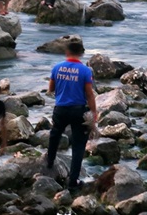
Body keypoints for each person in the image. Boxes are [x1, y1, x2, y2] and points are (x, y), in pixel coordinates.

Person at [45, 42, 97, 190]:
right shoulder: (85, 71)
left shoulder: (57, 67)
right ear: (81, 53)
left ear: (67, 52)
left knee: (55, 134)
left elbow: (51, 88)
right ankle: (73, 181)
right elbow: (89, 94)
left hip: (60, 109)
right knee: (79, 144)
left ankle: (50, 161)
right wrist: (94, 113)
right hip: (78, 110)